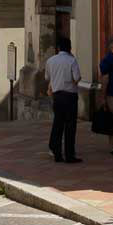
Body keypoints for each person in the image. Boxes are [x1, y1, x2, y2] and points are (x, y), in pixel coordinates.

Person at [45, 35, 82, 163]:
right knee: (70, 126)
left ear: (58, 48)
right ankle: (69, 154)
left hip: (57, 96)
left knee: (58, 124)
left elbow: (48, 77)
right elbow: (77, 78)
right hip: (70, 95)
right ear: (70, 48)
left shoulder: (50, 61)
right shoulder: (72, 60)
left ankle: (57, 153)